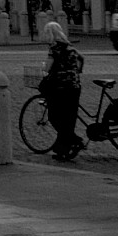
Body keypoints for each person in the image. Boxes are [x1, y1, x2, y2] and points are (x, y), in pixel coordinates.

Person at [38, 21, 85, 160]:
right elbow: (82, 58)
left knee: (54, 116)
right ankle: (63, 149)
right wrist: (77, 71)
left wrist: (43, 68)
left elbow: (47, 68)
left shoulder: (54, 49)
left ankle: (75, 141)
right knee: (69, 118)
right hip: (75, 86)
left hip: (61, 87)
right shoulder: (70, 46)